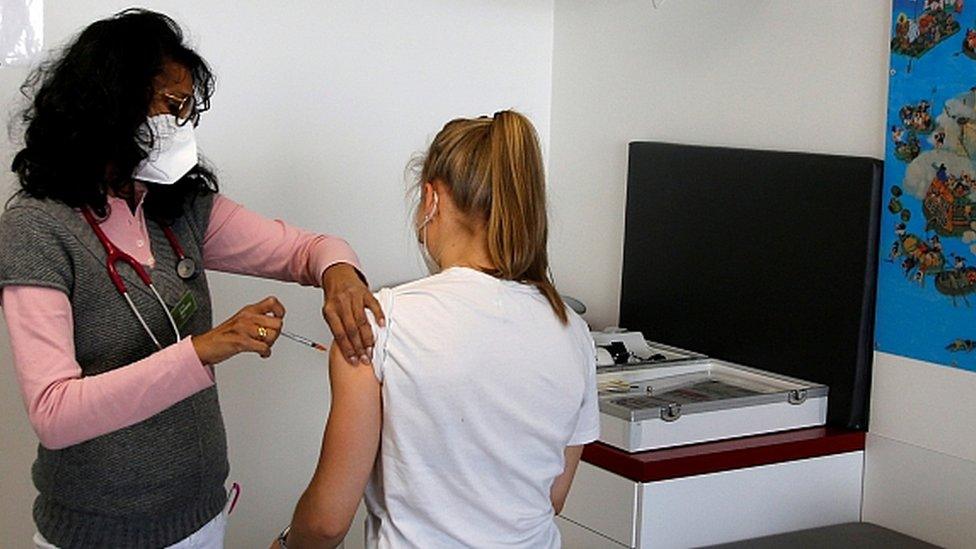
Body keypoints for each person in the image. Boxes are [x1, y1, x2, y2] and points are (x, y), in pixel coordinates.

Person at [0, 9, 382, 548]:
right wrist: (203, 350)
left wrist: (339, 272)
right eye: (170, 105)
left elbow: (308, 249)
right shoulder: (37, 229)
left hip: (201, 518)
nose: (181, 125)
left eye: (188, 108)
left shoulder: (179, 208)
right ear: (110, 101)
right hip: (95, 534)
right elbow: (55, 413)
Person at [275, 111, 600, 548]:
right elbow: (554, 495)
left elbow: (327, 522)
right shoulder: (572, 330)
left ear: (431, 199)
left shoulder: (377, 324)